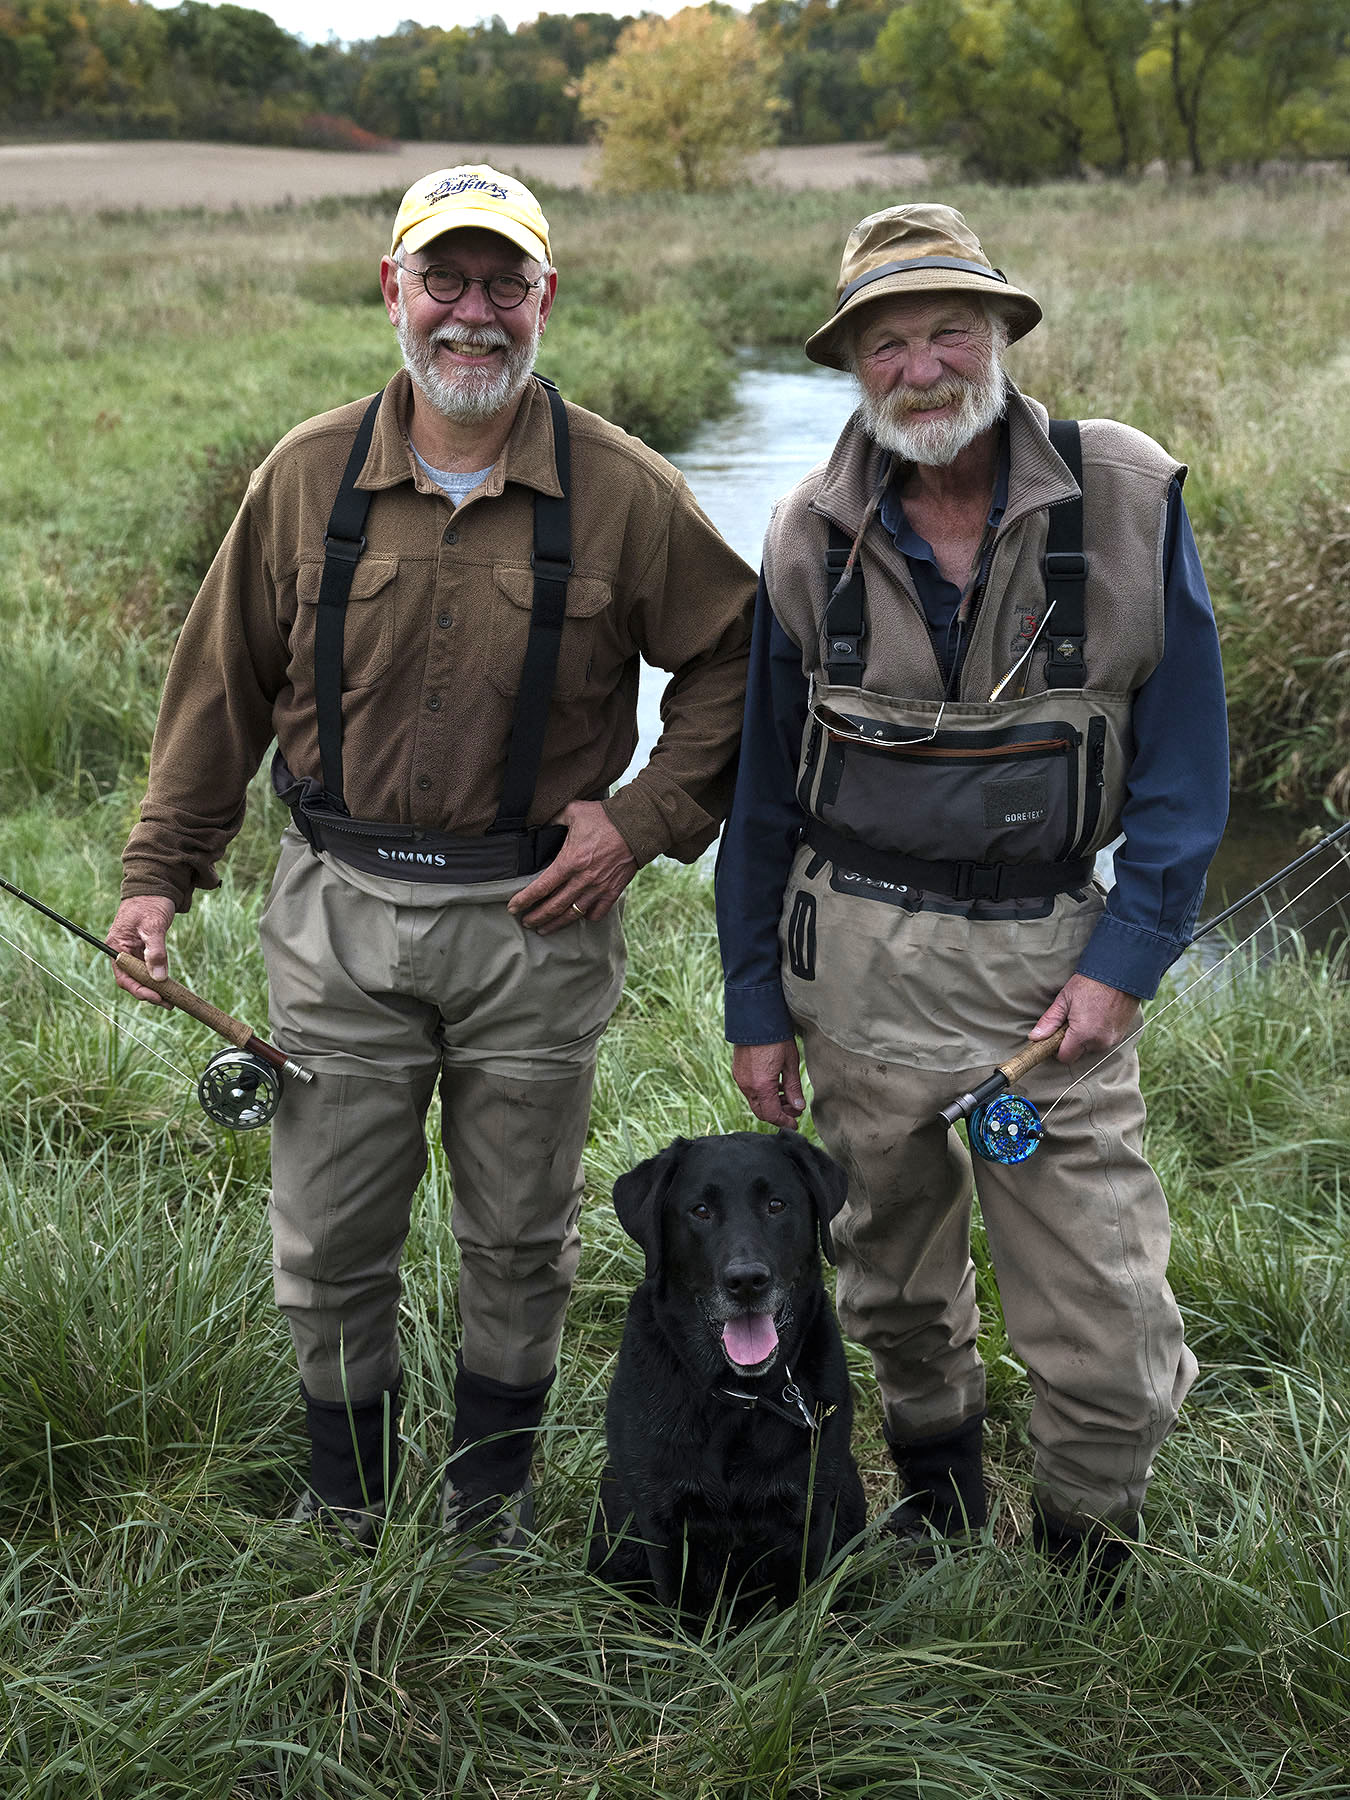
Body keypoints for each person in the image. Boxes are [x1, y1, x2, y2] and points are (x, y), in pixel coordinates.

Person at [108, 165, 755, 1550]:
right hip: (335, 915)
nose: (473, 317)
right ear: (392, 290)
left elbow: (735, 659)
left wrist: (637, 822)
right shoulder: (304, 476)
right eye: (443, 283)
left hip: (538, 924)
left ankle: (488, 1509)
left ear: (545, 300)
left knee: (521, 1243)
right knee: (329, 1240)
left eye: (501, 286)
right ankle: (345, 1510)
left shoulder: (626, 490)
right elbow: (218, 687)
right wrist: (157, 876)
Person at [715, 203, 1228, 1581]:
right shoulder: (801, 535)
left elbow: (1185, 769)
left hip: (1049, 976)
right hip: (852, 967)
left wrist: (1126, 957)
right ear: (853, 366)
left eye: (950, 327)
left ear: (999, 335)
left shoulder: (1126, 493)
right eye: (888, 342)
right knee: (887, 1278)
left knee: (1108, 1320)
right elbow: (761, 801)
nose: (923, 364)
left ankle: (1080, 1558)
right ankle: (938, 1502)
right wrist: (753, 1003)